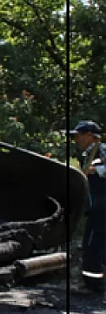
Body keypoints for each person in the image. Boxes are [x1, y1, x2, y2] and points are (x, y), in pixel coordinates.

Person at [71, 120, 106, 294]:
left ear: (90, 136)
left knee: (92, 246)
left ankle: (93, 286)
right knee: (99, 247)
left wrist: (95, 170)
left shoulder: (101, 150)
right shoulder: (88, 154)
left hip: (101, 210)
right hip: (96, 209)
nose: (76, 139)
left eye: (79, 135)